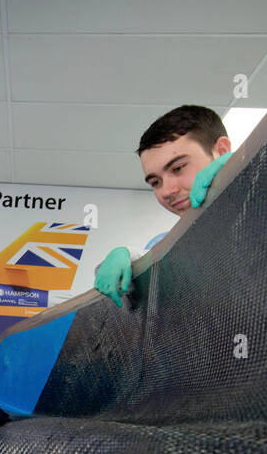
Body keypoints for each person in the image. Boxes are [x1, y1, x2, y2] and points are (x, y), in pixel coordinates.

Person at [94, 105, 233, 307]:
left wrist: (254, 164)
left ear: (221, 152)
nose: (166, 191)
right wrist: (130, 257)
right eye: (155, 182)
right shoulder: (167, 244)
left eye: (178, 168)